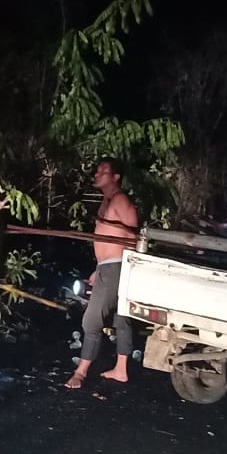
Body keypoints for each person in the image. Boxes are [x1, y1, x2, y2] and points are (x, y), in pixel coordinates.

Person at [65, 158, 140, 388]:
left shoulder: (120, 200)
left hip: (118, 265)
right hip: (108, 266)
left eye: (104, 172)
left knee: (92, 319)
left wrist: (119, 268)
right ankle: (121, 370)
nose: (98, 175)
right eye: (97, 171)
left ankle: (81, 373)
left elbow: (134, 237)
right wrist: (99, 268)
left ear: (116, 177)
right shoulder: (106, 202)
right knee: (121, 318)